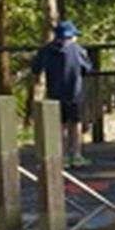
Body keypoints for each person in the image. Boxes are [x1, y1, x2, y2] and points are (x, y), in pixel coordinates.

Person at [30, 20, 94, 166]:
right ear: (71, 36)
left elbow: (36, 68)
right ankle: (77, 154)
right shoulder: (78, 50)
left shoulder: (46, 50)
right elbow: (87, 69)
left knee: (60, 125)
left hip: (55, 93)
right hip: (75, 93)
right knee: (76, 123)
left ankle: (63, 155)